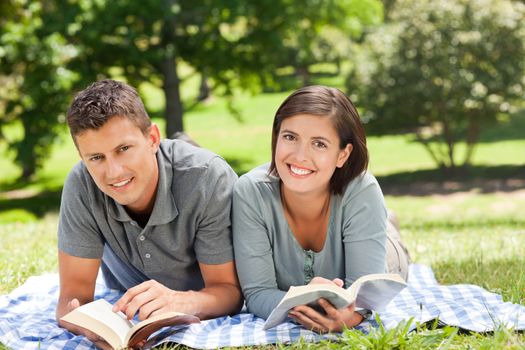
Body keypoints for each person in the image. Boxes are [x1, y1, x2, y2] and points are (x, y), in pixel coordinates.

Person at [56, 79, 242, 347]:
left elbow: (230, 292)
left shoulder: (207, 179)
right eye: (96, 158)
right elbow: (72, 298)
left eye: (123, 149)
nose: (114, 172)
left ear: (153, 138)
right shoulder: (82, 184)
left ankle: (185, 145)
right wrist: (92, 330)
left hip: (200, 293)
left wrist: (178, 302)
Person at [232, 85, 410, 334]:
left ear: (343, 154)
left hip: (386, 259)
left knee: (388, 256)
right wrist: (306, 300)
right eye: (290, 137)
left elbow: (364, 299)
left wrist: (352, 318)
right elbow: (258, 294)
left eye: (319, 144)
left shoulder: (362, 190)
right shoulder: (250, 192)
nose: (300, 156)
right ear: (276, 138)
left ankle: (387, 224)